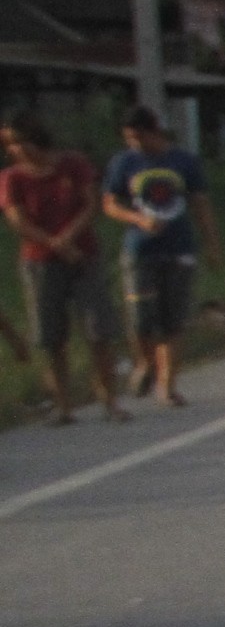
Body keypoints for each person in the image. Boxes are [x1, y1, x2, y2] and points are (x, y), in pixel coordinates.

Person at [1, 115, 126, 422]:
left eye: (17, 142)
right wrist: (55, 244)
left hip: (83, 256)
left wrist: (69, 238)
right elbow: (17, 220)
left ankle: (109, 400)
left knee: (98, 330)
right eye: (10, 145)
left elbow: (90, 203)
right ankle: (63, 406)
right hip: (40, 260)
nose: (14, 150)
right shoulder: (13, 177)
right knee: (51, 336)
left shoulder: (72, 163)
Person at [101, 106, 217, 407]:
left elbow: (200, 203)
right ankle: (144, 361)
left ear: (155, 131)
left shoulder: (183, 161)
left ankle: (167, 384)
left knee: (173, 318)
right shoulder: (123, 163)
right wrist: (137, 219)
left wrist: (212, 244)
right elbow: (110, 204)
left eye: (139, 137)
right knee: (140, 317)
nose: (135, 143)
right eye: (129, 138)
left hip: (179, 247)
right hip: (140, 248)